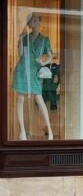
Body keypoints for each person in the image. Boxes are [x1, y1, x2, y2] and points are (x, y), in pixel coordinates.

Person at [12, 13, 54, 141]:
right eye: (33, 21)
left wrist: (44, 62)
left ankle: (50, 131)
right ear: (29, 24)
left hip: (35, 71)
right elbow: (20, 54)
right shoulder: (25, 38)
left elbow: (50, 56)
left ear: (39, 23)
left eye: (37, 20)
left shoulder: (45, 39)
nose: (35, 23)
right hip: (23, 70)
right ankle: (22, 132)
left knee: (39, 99)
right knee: (20, 100)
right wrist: (20, 40)